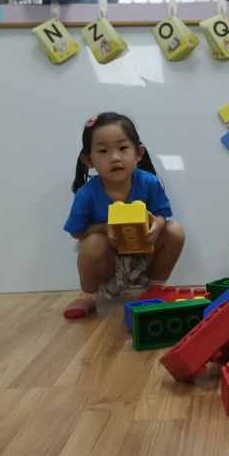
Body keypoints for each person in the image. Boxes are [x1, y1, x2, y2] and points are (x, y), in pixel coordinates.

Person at [63, 112, 185, 319]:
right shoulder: (87, 193)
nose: (115, 157)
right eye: (103, 151)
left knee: (174, 231)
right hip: (108, 266)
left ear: (138, 152)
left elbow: (162, 215)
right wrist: (104, 228)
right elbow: (76, 232)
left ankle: (156, 287)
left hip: (144, 258)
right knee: (93, 242)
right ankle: (87, 296)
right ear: (88, 159)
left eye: (122, 148)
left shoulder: (149, 183)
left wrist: (157, 225)